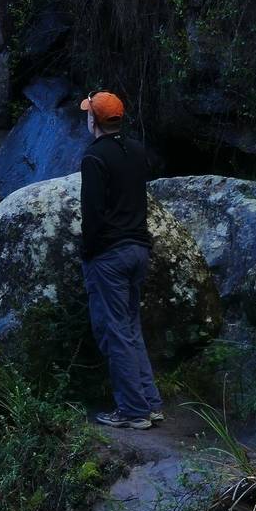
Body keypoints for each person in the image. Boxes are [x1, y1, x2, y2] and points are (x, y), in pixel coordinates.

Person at [79, 89, 163, 430]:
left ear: (93, 120)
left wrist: (87, 252)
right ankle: (150, 403)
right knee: (130, 328)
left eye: (88, 114)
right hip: (138, 250)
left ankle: (133, 411)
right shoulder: (137, 150)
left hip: (110, 256)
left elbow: (93, 214)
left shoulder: (94, 158)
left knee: (115, 332)